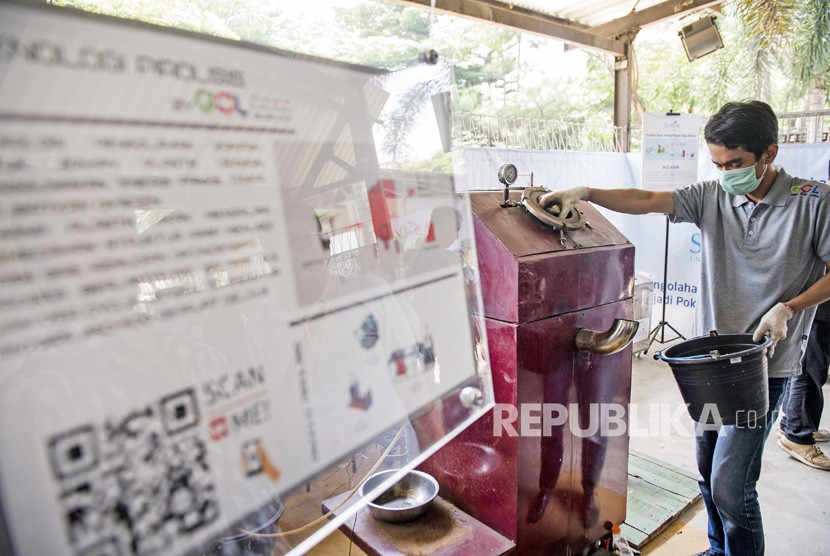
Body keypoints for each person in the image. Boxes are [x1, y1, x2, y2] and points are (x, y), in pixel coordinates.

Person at [544, 100, 830, 556]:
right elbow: (648, 200)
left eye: (735, 163)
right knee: (705, 470)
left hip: (762, 368)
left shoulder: (814, 201)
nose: (726, 173)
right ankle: (718, 550)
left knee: (731, 486)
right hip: (707, 363)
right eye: (717, 163)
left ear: (769, 153)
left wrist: (789, 308)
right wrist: (588, 192)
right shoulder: (715, 196)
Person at [777, 298, 830, 469]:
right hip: (820, 304)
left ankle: (791, 424)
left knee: (807, 363)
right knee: (810, 367)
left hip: (817, 305)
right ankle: (798, 435)